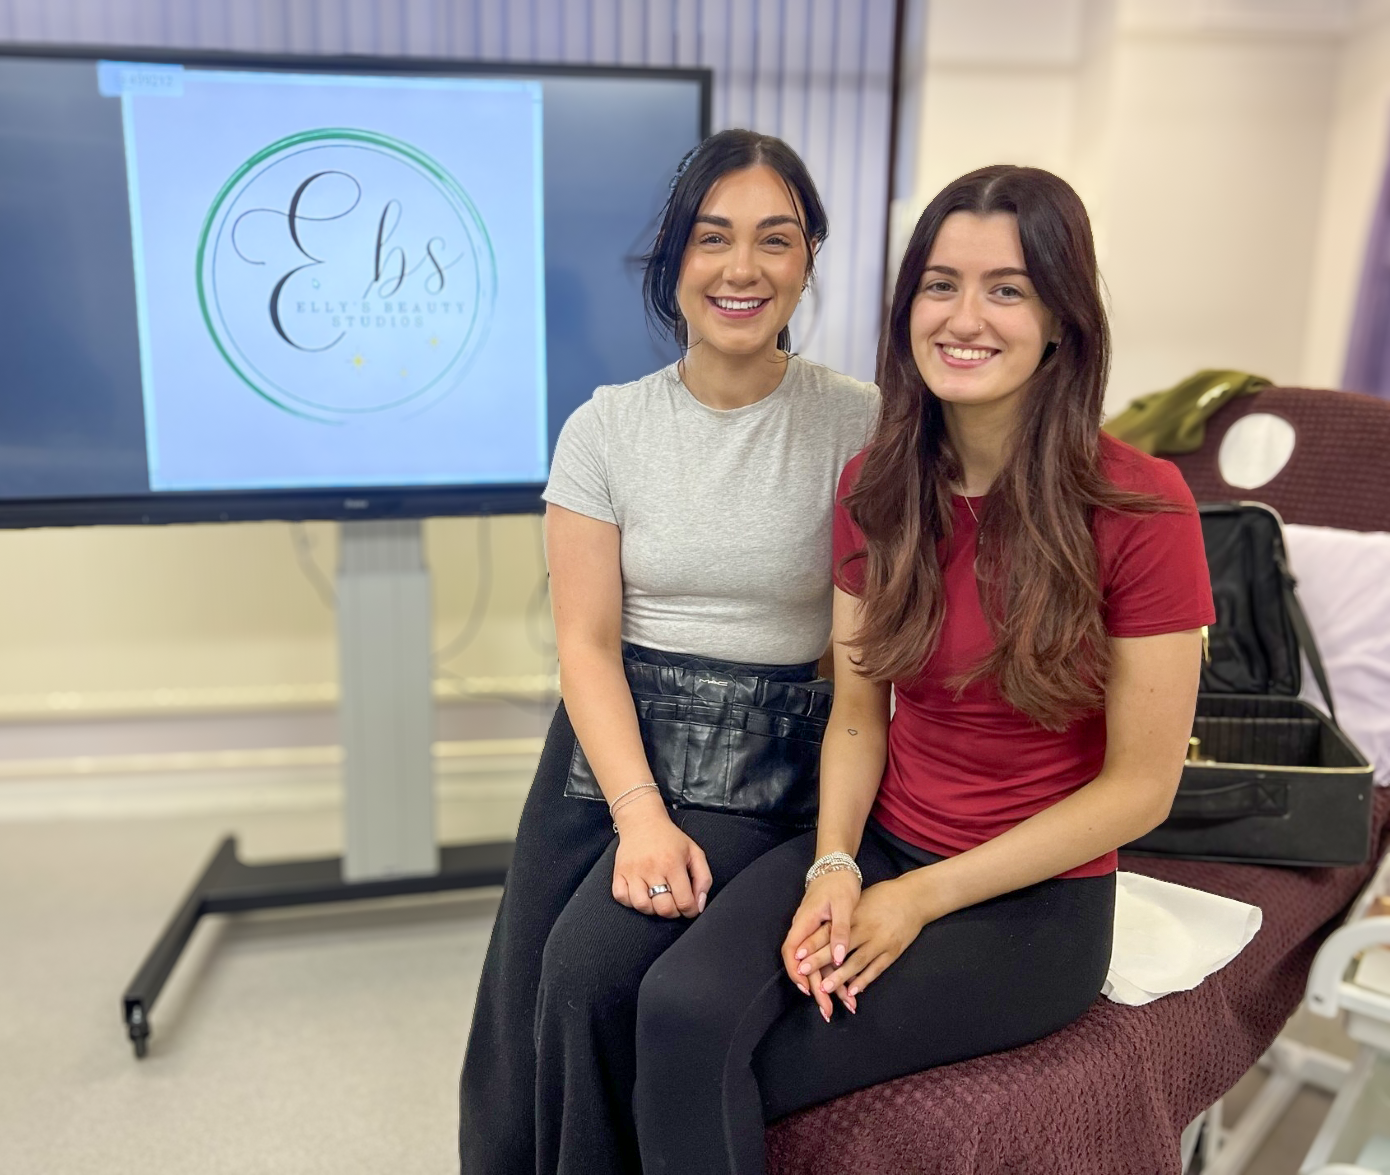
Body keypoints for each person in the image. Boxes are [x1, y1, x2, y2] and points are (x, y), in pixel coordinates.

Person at [629, 164, 1215, 1174]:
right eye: (940, 285)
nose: (965, 317)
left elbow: (1141, 788)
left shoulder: (1142, 506)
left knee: (745, 1059)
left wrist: (923, 897)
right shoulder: (878, 484)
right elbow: (859, 711)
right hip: (885, 846)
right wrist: (835, 863)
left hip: (1035, 903)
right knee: (676, 1013)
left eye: (1008, 288)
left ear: (1062, 320)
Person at [458, 129, 880, 1175]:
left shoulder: (859, 424)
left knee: (591, 971)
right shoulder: (603, 429)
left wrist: (837, 849)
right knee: (522, 1015)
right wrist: (640, 813)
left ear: (809, 259)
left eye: (775, 240)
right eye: (713, 238)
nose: (743, 269)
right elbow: (587, 647)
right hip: (612, 748)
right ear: (674, 261)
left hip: (764, 756)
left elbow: (859, 668)